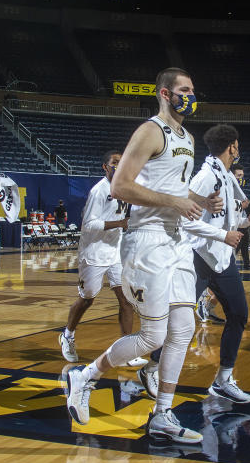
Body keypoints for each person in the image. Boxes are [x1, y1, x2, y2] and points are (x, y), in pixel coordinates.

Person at [64, 67, 222, 444]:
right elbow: (121, 185)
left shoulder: (188, 137)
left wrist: (201, 201)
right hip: (147, 240)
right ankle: (84, 377)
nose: (191, 95)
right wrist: (177, 201)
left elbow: (175, 189)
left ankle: (162, 415)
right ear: (165, 94)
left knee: (182, 331)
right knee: (152, 336)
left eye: (193, 89)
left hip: (176, 240)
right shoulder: (151, 131)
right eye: (185, 89)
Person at [57, 149, 145, 368]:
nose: (119, 164)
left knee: (126, 300)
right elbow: (88, 225)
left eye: (122, 161)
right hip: (94, 252)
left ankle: (126, 351)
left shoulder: (124, 189)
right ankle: (67, 335)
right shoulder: (99, 191)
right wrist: (119, 224)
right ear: (105, 167)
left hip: (115, 251)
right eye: (114, 162)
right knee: (87, 299)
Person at [183, 123, 250, 403]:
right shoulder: (205, 177)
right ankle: (152, 366)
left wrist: (243, 218)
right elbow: (186, 222)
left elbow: (236, 207)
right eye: (238, 144)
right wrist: (224, 234)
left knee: (238, 313)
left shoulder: (223, 173)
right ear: (232, 146)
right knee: (181, 322)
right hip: (199, 256)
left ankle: (223, 379)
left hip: (222, 260)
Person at [231, 163, 250, 269]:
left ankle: (247, 265)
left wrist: (249, 221)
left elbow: (238, 220)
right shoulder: (226, 191)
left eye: (242, 176)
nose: (241, 179)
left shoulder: (240, 193)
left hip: (237, 228)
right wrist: (240, 205)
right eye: (239, 176)